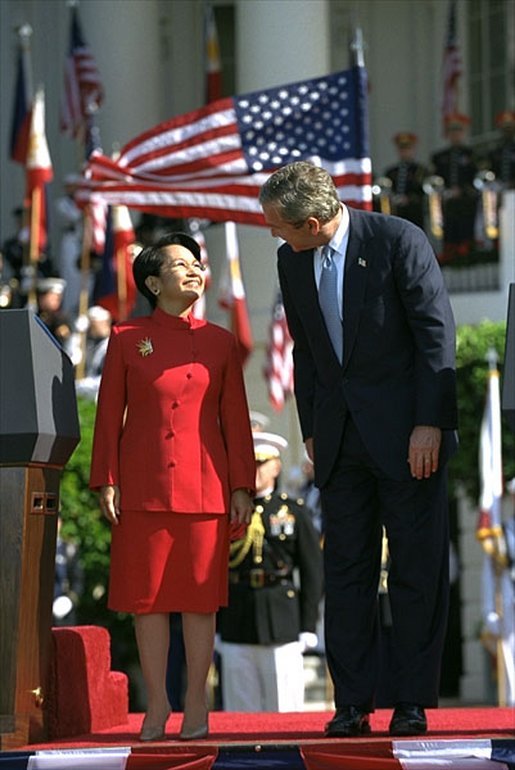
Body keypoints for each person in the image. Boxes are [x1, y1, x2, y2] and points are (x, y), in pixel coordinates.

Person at [259, 161, 458, 738]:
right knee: (346, 571)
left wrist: (430, 425)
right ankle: (352, 703)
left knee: (416, 570)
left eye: (281, 225)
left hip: (407, 439)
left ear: (315, 222)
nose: (275, 234)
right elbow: (305, 350)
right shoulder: (290, 258)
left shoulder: (398, 240)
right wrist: (313, 430)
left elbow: (435, 336)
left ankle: (412, 700)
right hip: (340, 442)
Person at [89, 232, 255, 741]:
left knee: (200, 601)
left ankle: (196, 700)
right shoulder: (125, 337)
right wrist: (107, 480)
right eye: (180, 265)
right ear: (154, 283)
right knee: (149, 600)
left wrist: (242, 486)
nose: (193, 271)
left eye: (196, 264)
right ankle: (158, 703)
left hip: (205, 487)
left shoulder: (220, 342)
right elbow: (107, 417)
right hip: (142, 486)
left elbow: (236, 421)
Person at [217, 431, 323, 711]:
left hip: (282, 620)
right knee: (239, 712)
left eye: (260, 463)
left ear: (275, 466)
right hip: (237, 617)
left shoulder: (293, 510)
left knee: (284, 708)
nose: (253, 471)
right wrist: (214, 625)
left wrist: (308, 624)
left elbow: (312, 570)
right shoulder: (227, 512)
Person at [430, 113, 478, 262]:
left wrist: (463, 190)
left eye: (458, 131)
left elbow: (476, 178)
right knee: (448, 227)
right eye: (451, 131)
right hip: (446, 200)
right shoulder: (439, 157)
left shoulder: (472, 154)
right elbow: (435, 178)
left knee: (466, 227)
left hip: (466, 201)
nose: (455, 134)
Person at [383, 132, 427, 229]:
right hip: (396, 212)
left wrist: (409, 199)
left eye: (408, 148)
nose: (405, 152)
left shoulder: (421, 170)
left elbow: (423, 193)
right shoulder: (391, 172)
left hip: (414, 213)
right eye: (402, 149)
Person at [488, 110, 515, 190]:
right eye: (505, 127)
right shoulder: (495, 151)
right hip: (499, 189)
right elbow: (491, 171)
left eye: (510, 127)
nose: (507, 130)